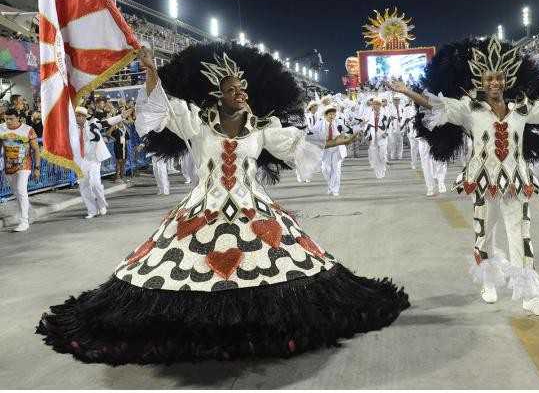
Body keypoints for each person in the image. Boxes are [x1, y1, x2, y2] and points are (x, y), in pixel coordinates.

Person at [37, 43, 409, 365]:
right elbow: (161, 108)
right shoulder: (197, 123)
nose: (242, 93)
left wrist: (340, 142)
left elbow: (298, 146)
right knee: (185, 269)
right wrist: (151, 72)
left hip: (253, 207)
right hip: (202, 205)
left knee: (274, 265)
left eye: (243, 88)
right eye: (233, 89)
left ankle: (256, 328)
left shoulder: (262, 127)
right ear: (218, 94)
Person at [390, 37, 539, 315]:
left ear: (506, 80)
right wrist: (405, 92)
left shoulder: (522, 108)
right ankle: (489, 282)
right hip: (483, 181)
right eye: (489, 78)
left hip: (516, 180)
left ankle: (530, 295)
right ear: (481, 81)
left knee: (521, 234)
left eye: (499, 77)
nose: (494, 83)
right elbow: (434, 105)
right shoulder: (468, 109)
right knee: (484, 232)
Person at [74, 106, 128, 219]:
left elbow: (106, 122)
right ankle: (92, 210)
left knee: (95, 183)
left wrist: (121, 116)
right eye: (76, 116)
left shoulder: (93, 124)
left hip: (94, 159)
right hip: (80, 161)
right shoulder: (72, 128)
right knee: (83, 186)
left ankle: (102, 204)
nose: (78, 118)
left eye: (80, 116)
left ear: (84, 117)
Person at [0, 108, 40, 232]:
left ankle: (24, 221)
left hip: (24, 165)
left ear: (18, 118)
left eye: (11, 119)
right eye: (6, 119)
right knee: (16, 193)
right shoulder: (1, 128)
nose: (8, 121)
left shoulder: (28, 130)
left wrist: (37, 167)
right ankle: (30, 212)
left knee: (21, 190)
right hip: (9, 166)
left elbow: (36, 150)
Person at [311, 104, 354, 196]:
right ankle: (331, 185)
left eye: (333, 114)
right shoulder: (319, 124)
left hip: (337, 148)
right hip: (326, 148)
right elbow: (311, 133)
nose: (332, 116)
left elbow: (349, 131)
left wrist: (346, 136)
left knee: (336, 169)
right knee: (325, 169)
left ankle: (335, 189)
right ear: (325, 115)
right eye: (330, 114)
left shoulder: (338, 123)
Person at [364, 97, 390, 178]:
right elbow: (366, 126)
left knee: (382, 155)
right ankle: (378, 173)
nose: (375, 106)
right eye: (374, 104)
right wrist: (366, 136)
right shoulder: (369, 114)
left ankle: (383, 168)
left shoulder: (385, 114)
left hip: (382, 136)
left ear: (380, 105)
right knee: (375, 156)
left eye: (377, 104)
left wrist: (387, 133)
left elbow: (389, 125)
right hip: (372, 137)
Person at [387, 96, 405, 160]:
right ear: (393, 100)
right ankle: (393, 155)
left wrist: (402, 119)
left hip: (400, 124)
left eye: (398, 100)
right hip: (393, 124)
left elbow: (404, 115)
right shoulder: (390, 107)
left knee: (400, 141)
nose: (396, 101)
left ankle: (400, 156)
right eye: (395, 100)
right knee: (393, 141)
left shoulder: (402, 107)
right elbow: (388, 116)